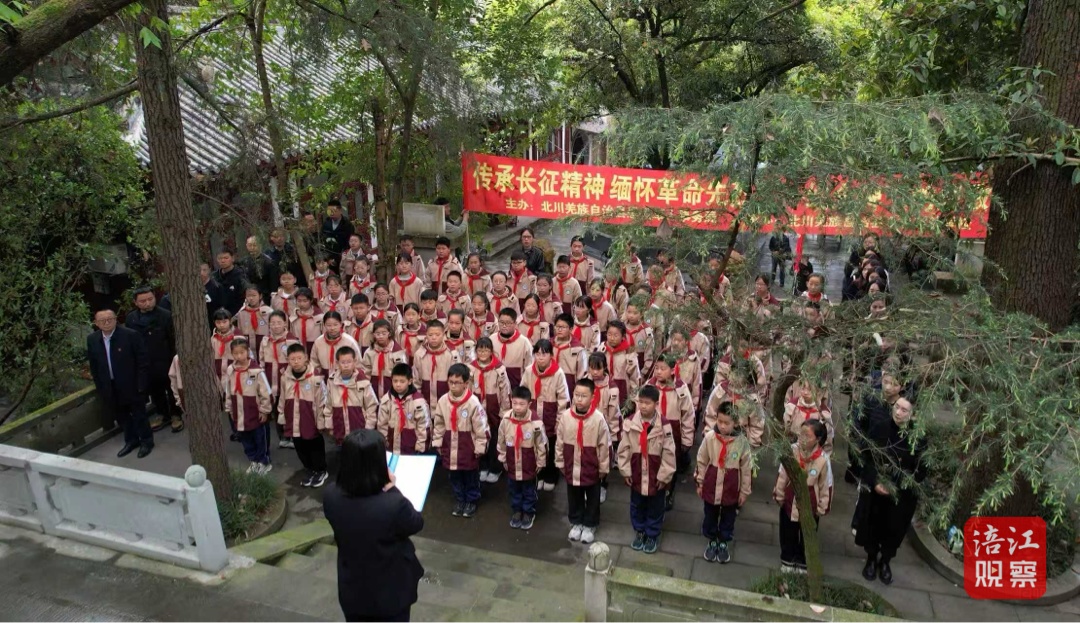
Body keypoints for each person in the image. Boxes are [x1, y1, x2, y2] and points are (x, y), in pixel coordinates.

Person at [323, 429, 424, 623]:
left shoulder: (331, 496)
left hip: (352, 587)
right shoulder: (393, 505)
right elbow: (416, 523)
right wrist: (393, 489)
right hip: (391, 593)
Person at [854, 395, 925, 585]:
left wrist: (897, 486)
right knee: (873, 525)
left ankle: (885, 561)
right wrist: (875, 482)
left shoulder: (918, 438)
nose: (898, 412)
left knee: (894, 529)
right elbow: (866, 458)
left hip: (901, 495)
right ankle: (871, 558)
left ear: (912, 414)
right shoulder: (880, 428)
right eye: (897, 407)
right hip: (876, 491)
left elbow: (920, 471)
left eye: (904, 410)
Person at [87, 308, 153, 458]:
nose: (107, 323)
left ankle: (146, 442)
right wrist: (101, 387)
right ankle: (131, 441)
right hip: (110, 386)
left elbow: (142, 361)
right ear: (96, 323)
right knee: (122, 416)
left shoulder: (130, 335)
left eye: (110, 319)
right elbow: (94, 365)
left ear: (116, 319)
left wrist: (141, 385)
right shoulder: (92, 339)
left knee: (139, 415)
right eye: (102, 320)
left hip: (132, 384)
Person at [618, 384, 677, 555]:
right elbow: (624, 448)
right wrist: (625, 471)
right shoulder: (630, 422)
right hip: (637, 471)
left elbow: (669, 452)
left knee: (655, 506)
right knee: (637, 504)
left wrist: (664, 476)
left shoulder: (664, 425)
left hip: (655, 473)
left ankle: (652, 534)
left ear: (656, 404)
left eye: (647, 403)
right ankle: (640, 530)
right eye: (641, 402)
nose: (643, 406)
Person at [773, 419, 833, 573]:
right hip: (790, 501)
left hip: (810, 506)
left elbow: (825, 485)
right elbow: (782, 474)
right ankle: (787, 559)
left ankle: (803, 561)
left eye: (807, 436)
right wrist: (779, 495)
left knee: (807, 534)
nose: (802, 438)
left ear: (818, 439)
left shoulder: (823, 459)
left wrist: (822, 507)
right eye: (801, 434)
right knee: (787, 532)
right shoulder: (792, 451)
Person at [555, 378, 611, 544]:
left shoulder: (598, 419)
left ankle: (590, 524)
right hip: (572, 465)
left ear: (592, 397)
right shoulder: (566, 417)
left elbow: (605, 445)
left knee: (592, 496)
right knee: (574, 495)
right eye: (576, 395)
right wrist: (560, 462)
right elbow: (559, 441)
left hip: (590, 466)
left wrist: (603, 468)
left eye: (584, 396)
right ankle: (576, 521)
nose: (579, 399)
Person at [695, 402, 752, 564]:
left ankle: (724, 540)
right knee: (710, 513)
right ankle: (712, 539)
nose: (722, 426)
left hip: (731, 487)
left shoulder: (742, 443)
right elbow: (701, 460)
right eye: (719, 421)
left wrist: (744, 491)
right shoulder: (710, 438)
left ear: (736, 423)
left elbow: (746, 469)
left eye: (727, 423)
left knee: (729, 516)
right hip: (711, 484)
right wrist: (700, 482)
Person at [432, 363, 489, 518]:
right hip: (450, 446)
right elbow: (439, 424)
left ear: (466, 383)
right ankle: (460, 499)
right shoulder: (443, 401)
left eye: (457, 383)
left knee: (470, 475)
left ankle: (471, 500)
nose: (453, 386)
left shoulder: (473, 403)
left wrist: (480, 447)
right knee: (454, 476)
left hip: (467, 447)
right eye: (450, 382)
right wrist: (437, 442)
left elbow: (481, 427)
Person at [125, 287, 179, 433]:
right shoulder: (131, 319)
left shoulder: (165, 315)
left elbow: (173, 339)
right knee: (155, 390)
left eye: (150, 299)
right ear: (136, 302)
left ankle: (176, 414)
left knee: (171, 387)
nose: (148, 303)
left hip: (164, 358)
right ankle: (162, 413)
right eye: (143, 301)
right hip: (144, 361)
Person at [647, 353, 695, 511]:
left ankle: (669, 492)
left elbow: (688, 415)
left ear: (673, 370)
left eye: (663, 368)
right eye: (656, 368)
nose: (658, 372)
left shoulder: (681, 389)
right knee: (653, 462)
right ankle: (652, 491)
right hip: (653, 433)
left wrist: (687, 439)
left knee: (670, 464)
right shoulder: (649, 386)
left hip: (673, 434)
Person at [522, 339, 571, 491]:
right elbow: (523, 391)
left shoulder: (558, 373)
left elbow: (563, 399)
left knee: (551, 445)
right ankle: (539, 474)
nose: (541, 358)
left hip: (551, 414)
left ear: (551, 355)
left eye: (544, 354)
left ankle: (551, 475)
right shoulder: (529, 371)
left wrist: (559, 420)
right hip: (534, 414)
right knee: (535, 445)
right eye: (537, 354)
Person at [279, 343, 329, 487]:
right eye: (292, 359)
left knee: (314, 445)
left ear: (306, 358)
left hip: (310, 418)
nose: (296, 362)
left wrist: (321, 421)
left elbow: (323, 400)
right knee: (300, 446)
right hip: (293, 419)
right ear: (288, 360)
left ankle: (320, 470)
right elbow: (282, 398)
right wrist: (282, 416)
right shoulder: (285, 377)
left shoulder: (315, 378)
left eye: (299, 358)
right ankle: (309, 468)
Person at [498, 386, 547, 530]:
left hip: (529, 464)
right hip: (512, 462)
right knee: (514, 489)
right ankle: (517, 510)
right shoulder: (506, 420)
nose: (518, 407)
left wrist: (541, 462)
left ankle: (528, 512)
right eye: (515, 403)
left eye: (522, 404)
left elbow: (541, 444)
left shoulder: (536, 423)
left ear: (529, 404)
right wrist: (503, 458)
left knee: (529, 490)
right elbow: (501, 441)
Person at [223, 338, 273, 474]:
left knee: (259, 438)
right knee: (245, 438)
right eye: (235, 353)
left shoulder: (257, 371)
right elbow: (228, 390)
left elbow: (266, 393)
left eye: (242, 352)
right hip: (238, 412)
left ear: (248, 352)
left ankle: (264, 461)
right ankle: (253, 460)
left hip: (254, 411)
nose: (239, 356)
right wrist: (229, 408)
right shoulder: (231, 370)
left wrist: (265, 410)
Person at [470, 336, 511, 483]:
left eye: (486, 350)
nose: (483, 353)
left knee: (495, 439)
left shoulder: (499, 369)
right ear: (476, 351)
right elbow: (467, 388)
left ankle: (495, 468)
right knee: (479, 437)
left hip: (494, 409)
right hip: (477, 410)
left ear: (491, 351)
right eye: (480, 350)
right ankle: (483, 466)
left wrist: (505, 411)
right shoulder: (471, 368)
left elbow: (505, 390)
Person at [323, 347, 380, 444]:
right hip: (339, 429)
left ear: (354, 362)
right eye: (343, 362)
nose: (346, 365)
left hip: (360, 431)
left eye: (349, 362)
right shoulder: (332, 382)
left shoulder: (363, 381)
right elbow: (328, 405)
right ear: (337, 363)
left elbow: (371, 406)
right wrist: (329, 426)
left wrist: (368, 428)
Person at [376, 363, 430, 455]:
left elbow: (423, 427)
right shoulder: (386, 400)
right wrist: (384, 444)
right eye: (395, 381)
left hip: (412, 451)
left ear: (410, 381)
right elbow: (382, 425)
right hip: (391, 450)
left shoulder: (418, 402)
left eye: (402, 381)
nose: (398, 384)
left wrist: (420, 449)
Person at [412, 319, 461, 409]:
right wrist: (418, 400)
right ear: (426, 335)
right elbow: (416, 381)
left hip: (447, 403)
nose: (434, 338)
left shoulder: (452, 355)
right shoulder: (419, 355)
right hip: (425, 402)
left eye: (437, 335)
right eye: (430, 335)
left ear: (443, 335)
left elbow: (457, 381)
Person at [362, 319, 409, 399]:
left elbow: (402, 373)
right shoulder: (369, 352)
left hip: (392, 389)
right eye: (378, 334)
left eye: (384, 333)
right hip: (374, 389)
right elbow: (366, 372)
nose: (381, 336)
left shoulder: (397, 352)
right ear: (373, 334)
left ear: (389, 333)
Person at [312, 311, 361, 381]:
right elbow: (314, 363)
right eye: (329, 325)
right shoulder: (318, 342)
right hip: (324, 378)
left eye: (335, 325)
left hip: (346, 378)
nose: (332, 328)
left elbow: (358, 363)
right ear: (324, 325)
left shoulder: (349, 341)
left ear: (341, 324)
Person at [492, 308, 533, 387]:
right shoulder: (492, 339)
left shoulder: (524, 342)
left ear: (515, 323)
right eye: (501, 322)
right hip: (495, 385)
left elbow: (529, 368)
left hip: (517, 386)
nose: (504, 326)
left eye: (508, 323)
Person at [235, 285, 273, 353]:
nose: (251, 298)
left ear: (260, 296)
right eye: (248, 296)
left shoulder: (269, 312)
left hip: (265, 345)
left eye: (254, 295)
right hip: (247, 346)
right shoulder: (241, 313)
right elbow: (240, 331)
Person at [321, 199, 355, 272]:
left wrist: (341, 257)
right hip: (328, 259)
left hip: (343, 258)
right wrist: (327, 258)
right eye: (329, 211)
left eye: (334, 211)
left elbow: (349, 244)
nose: (331, 213)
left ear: (340, 211)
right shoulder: (326, 224)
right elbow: (322, 240)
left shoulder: (347, 225)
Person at [213, 249, 248, 316]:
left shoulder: (241, 275)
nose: (223, 261)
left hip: (237, 314)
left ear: (232, 258)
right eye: (220, 258)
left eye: (226, 258)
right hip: (219, 315)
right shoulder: (214, 277)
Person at [290, 288, 322, 355]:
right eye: (299, 301)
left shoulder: (319, 316)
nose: (302, 304)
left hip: (314, 346)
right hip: (298, 346)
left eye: (305, 301)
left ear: (311, 300)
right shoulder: (293, 315)